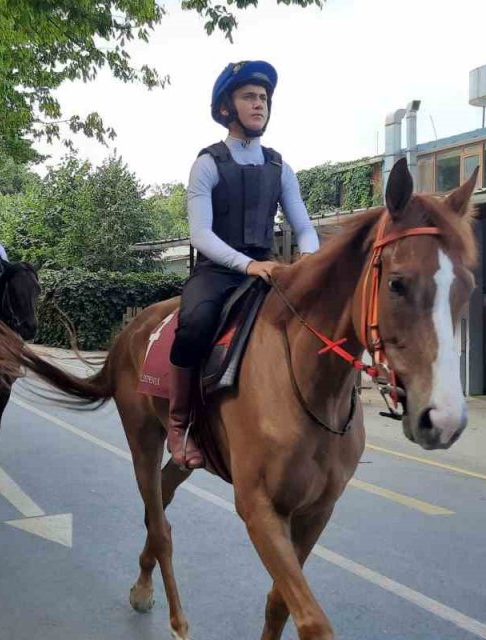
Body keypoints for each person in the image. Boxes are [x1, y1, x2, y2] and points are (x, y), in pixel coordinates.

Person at [167, 60, 320, 469]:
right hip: (218, 270)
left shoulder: (280, 167)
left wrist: (307, 258)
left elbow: (305, 227)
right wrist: (248, 265)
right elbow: (200, 235)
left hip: (270, 270)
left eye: (264, 98)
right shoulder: (207, 163)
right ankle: (179, 423)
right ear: (226, 108)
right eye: (249, 97)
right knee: (195, 324)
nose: (259, 105)